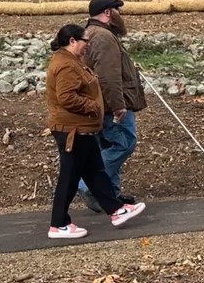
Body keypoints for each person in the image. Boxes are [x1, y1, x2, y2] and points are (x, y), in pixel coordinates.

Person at [45, 24, 146, 238]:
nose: (87, 45)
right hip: (72, 130)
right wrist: (94, 107)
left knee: (95, 171)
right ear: (72, 41)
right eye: (85, 41)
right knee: (69, 177)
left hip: (82, 129)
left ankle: (116, 210)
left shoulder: (72, 62)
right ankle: (58, 224)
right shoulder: (66, 65)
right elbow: (66, 97)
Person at [77, 0, 148, 212]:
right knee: (124, 142)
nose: (120, 15)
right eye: (117, 10)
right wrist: (118, 105)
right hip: (109, 104)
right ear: (108, 12)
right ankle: (87, 184)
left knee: (107, 146)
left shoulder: (89, 34)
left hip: (97, 103)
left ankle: (110, 195)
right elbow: (108, 77)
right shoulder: (104, 37)